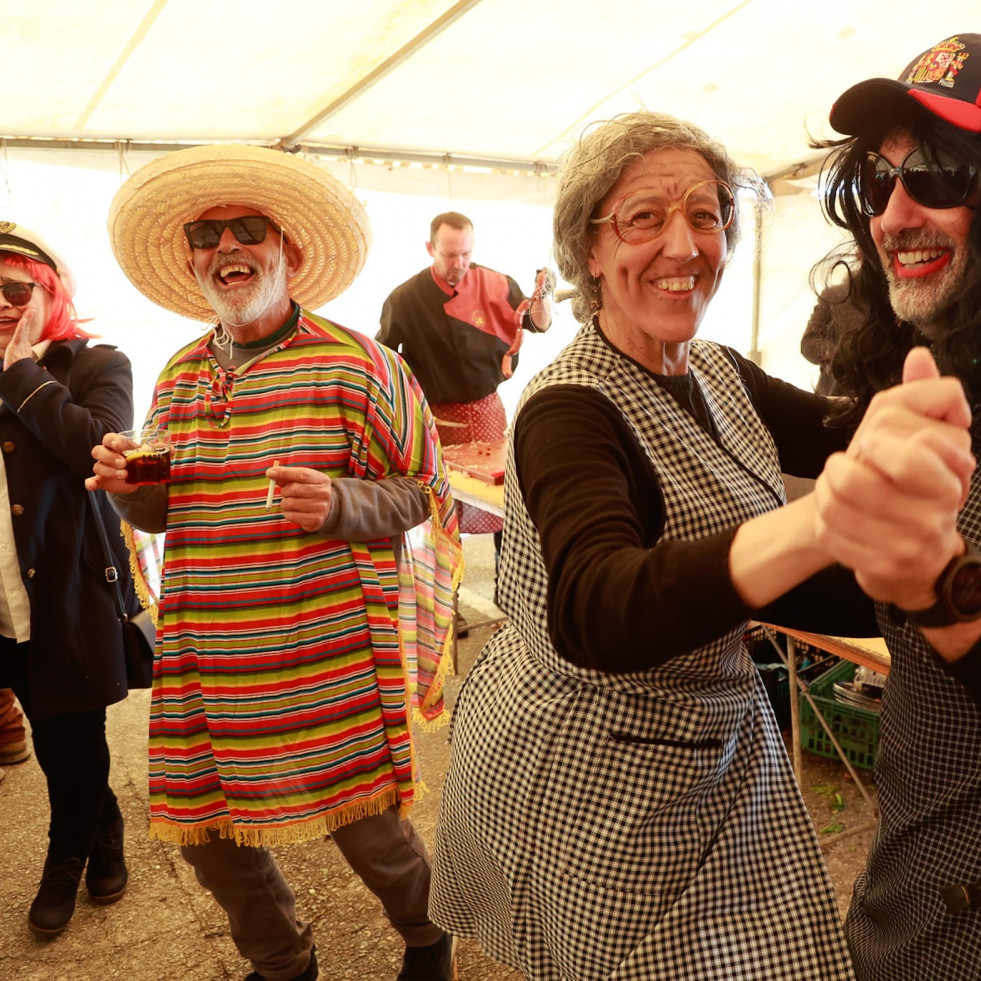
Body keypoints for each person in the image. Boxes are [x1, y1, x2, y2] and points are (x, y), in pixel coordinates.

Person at [428, 111, 973, 981]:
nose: (684, 244)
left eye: (707, 215)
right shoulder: (568, 407)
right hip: (598, 768)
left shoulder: (713, 368)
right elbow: (595, 603)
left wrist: (938, 412)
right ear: (589, 250)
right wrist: (824, 523)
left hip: (707, 741)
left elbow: (846, 433)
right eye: (644, 217)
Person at [87, 144, 462, 981]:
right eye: (207, 233)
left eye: (247, 229)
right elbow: (163, 503)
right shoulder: (181, 375)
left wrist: (340, 502)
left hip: (321, 650)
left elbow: (422, 489)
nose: (228, 247)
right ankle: (282, 959)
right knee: (208, 837)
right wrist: (125, 487)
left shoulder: (357, 362)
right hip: (207, 655)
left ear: (286, 248)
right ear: (191, 259)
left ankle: (427, 936)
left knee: (367, 831)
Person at [816, 32, 981, 980]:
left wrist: (944, 599)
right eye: (875, 184)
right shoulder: (934, 377)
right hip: (905, 906)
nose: (895, 214)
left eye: (938, 173)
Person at [0, 223, 138, 936]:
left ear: (51, 293)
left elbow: (103, 448)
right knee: (56, 737)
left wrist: (21, 374)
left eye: (14, 288)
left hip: (67, 594)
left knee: (72, 738)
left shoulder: (95, 361)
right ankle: (106, 823)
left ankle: (69, 856)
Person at [377, 212, 553, 608]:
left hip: (488, 409)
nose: (459, 264)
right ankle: (446, 597)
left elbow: (539, 324)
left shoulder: (497, 283)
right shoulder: (404, 298)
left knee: (507, 500)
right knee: (441, 507)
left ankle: (511, 593)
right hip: (438, 417)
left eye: (466, 255)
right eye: (450, 254)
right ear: (430, 249)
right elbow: (386, 361)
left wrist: (543, 297)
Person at [802, 276, 865, 395]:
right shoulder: (835, 296)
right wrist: (842, 355)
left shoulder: (899, 297)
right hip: (837, 396)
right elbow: (809, 343)